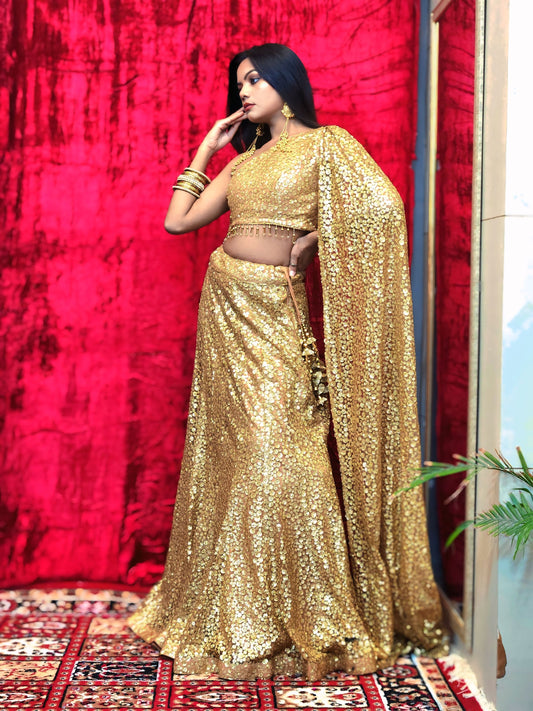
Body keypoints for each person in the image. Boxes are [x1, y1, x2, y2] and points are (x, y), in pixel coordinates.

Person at [127, 43, 446, 680]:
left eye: (254, 80)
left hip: (277, 313)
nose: (244, 92)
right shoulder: (243, 163)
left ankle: (310, 613)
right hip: (227, 312)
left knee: (285, 452)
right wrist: (207, 151)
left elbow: (381, 210)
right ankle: (233, 612)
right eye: (239, 84)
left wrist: (322, 235)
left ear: (285, 82)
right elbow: (177, 222)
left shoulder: (328, 146)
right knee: (235, 457)